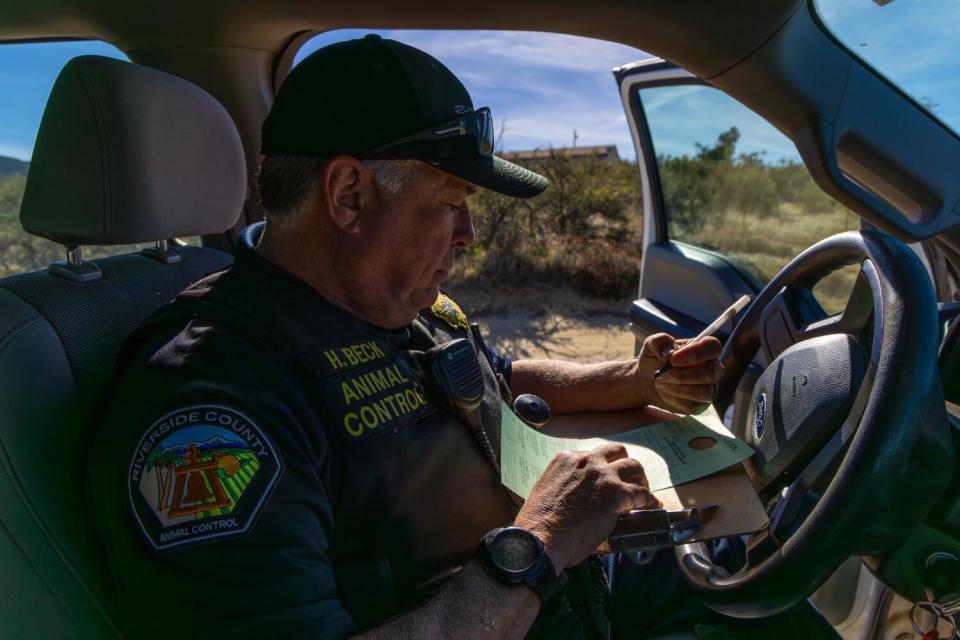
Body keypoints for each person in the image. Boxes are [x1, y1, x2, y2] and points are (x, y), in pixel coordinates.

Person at [87, 35, 723, 639]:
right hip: (523, 587)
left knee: (742, 578)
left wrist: (634, 380)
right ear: (349, 196)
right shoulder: (214, 406)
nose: (469, 233)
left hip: (563, 590)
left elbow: (498, 377)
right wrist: (543, 539)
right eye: (450, 201)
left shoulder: (403, 303)